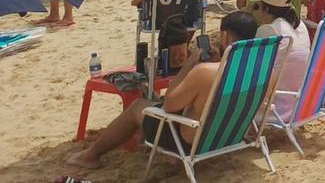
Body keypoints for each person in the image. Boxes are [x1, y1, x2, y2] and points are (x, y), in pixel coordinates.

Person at [65, 11, 261, 170]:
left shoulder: (206, 72)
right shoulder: (261, 69)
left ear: (225, 36)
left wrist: (188, 66)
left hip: (193, 142)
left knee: (138, 107)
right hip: (230, 135)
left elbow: (169, 104)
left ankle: (89, 156)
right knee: (188, 102)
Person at [252, 0, 311, 118]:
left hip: (277, 106)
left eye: (259, 7)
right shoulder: (300, 25)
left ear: (266, 8)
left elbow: (253, 66)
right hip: (300, 102)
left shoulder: (269, 30)